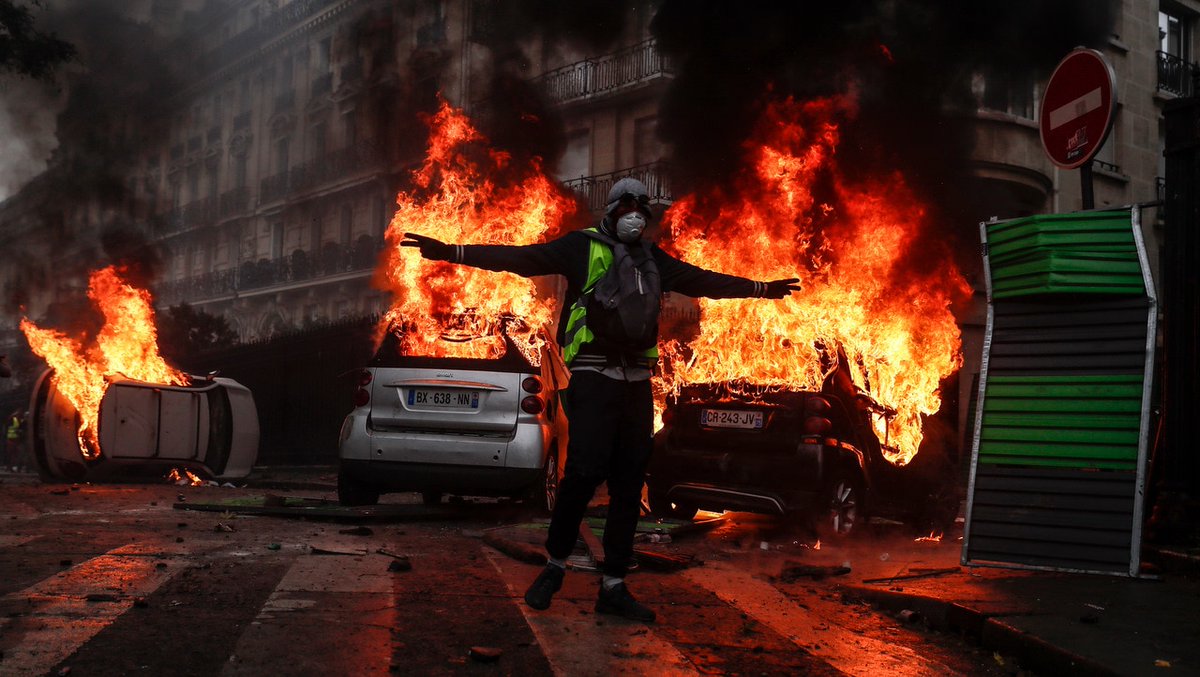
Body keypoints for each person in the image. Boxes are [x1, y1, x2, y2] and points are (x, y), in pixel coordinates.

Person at [402, 177, 799, 622]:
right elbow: (519, 259)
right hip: (592, 375)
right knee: (585, 471)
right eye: (627, 207)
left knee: (630, 481)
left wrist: (760, 288)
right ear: (610, 211)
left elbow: (702, 280)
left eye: (641, 211)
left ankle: (614, 586)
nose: (635, 216)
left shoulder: (652, 258)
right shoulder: (580, 246)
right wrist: (451, 252)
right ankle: (554, 565)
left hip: (635, 381)